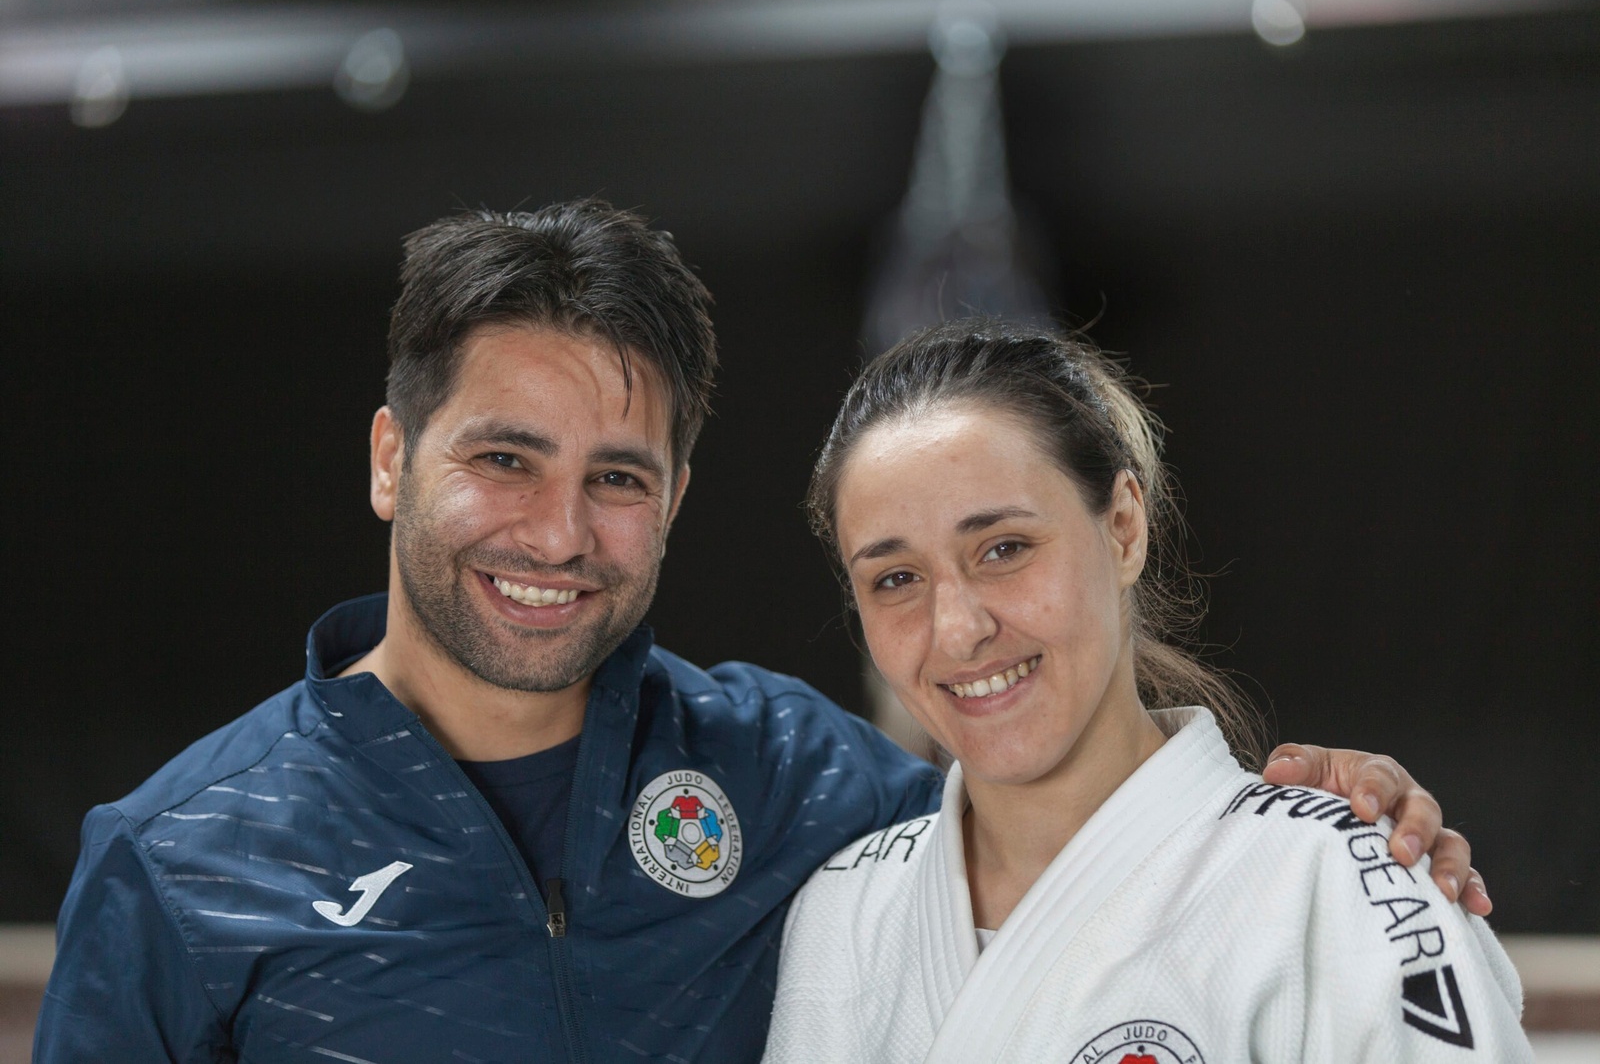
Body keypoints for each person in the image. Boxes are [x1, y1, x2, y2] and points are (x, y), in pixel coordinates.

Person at [37, 201, 1485, 1064]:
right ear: (388, 459)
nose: (557, 532)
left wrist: (1319, 820)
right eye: (503, 458)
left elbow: (1076, 810)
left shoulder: (790, 775)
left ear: (673, 499)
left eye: (617, 477)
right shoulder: (181, 860)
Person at [763, 318, 1530, 1062]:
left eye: (1004, 548)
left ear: (1125, 526)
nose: (958, 630)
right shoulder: (842, 911)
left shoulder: (1337, 883)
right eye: (896, 578)